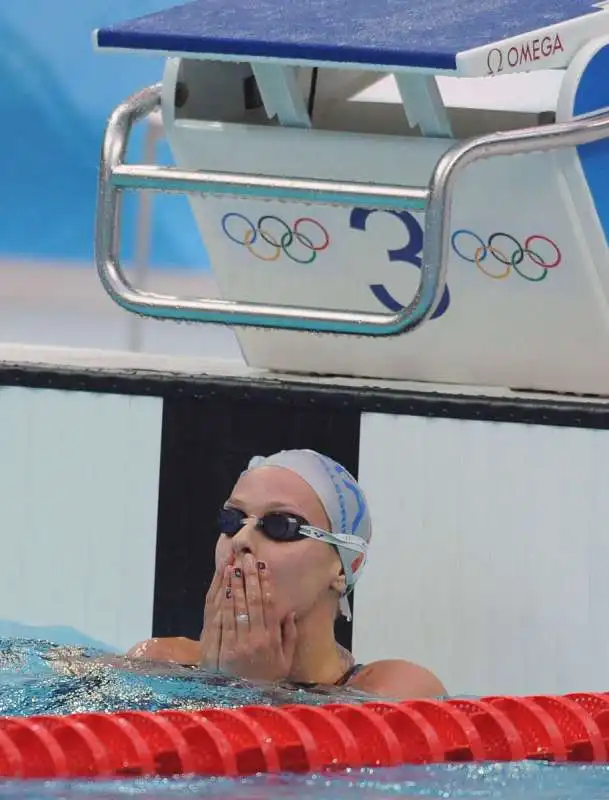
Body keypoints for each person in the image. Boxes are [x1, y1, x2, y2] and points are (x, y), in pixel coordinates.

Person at [127, 449, 446, 699]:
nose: (240, 540)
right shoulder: (157, 662)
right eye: (232, 519)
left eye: (280, 526)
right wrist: (213, 680)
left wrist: (253, 691)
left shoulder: (395, 691)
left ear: (346, 565)